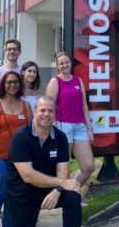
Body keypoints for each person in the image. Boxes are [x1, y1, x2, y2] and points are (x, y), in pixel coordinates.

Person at [6, 96, 82, 227]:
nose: (46, 114)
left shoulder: (61, 137)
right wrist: (62, 183)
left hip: (49, 189)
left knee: (72, 195)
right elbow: (28, 175)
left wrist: (57, 190)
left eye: (50, 111)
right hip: (23, 194)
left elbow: (63, 170)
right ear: (35, 112)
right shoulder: (20, 137)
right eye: (42, 110)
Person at [0, 71, 32, 227]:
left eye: (16, 82)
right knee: (0, 193)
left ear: (20, 84)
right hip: (0, 157)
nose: (12, 85)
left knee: (13, 194)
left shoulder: (26, 105)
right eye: (9, 82)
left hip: (21, 159)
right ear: (3, 84)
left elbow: (32, 132)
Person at [46, 51, 95, 185]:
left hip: (79, 127)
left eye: (66, 62)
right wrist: (52, 129)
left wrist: (89, 128)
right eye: (61, 63)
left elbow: (84, 105)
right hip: (62, 127)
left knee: (88, 167)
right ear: (57, 66)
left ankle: (72, 189)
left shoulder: (78, 80)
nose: (64, 65)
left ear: (70, 63)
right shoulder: (55, 81)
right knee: (63, 168)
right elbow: (49, 107)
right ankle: (64, 198)